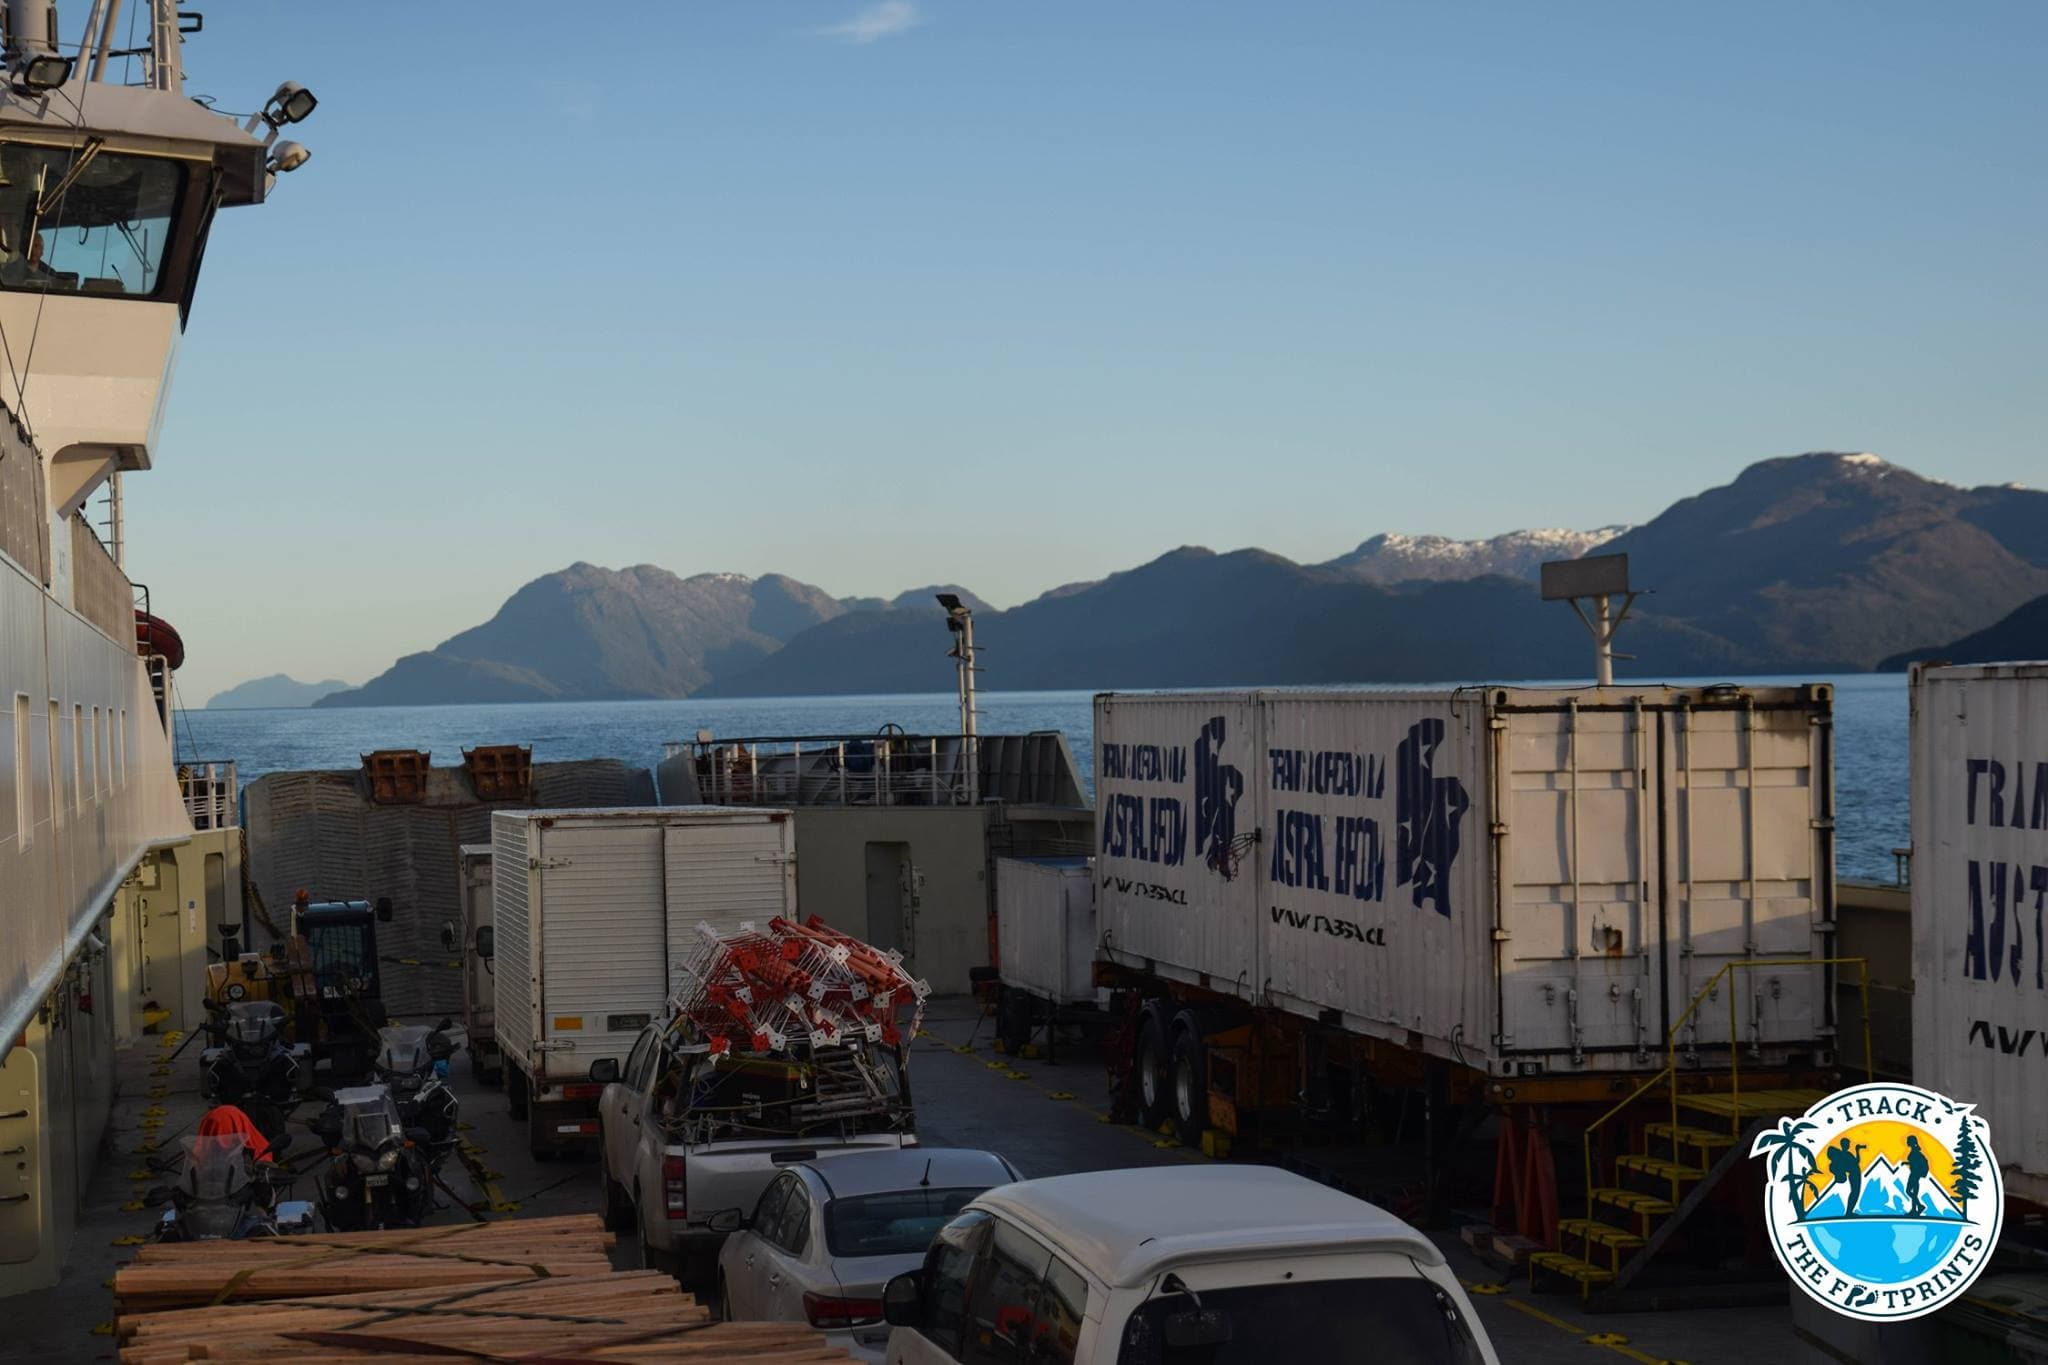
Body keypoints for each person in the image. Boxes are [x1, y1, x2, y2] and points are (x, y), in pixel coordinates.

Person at [1825, 1136, 1864, 1216]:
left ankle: (1849, 1211)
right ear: (1844, 1145)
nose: (1849, 1145)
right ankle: (1849, 1212)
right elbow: (1856, 1162)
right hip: (1854, 1174)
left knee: (1854, 1193)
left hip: (1854, 1174)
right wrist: (1857, 1150)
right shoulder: (1845, 1154)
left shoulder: (1844, 1154)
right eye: (1848, 1144)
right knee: (1855, 1193)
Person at [1904, 1135, 1930, 1216]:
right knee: (1913, 1192)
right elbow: (1914, 1162)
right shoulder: (1914, 1151)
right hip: (1915, 1174)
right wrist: (1907, 1163)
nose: (1906, 1142)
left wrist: (1909, 1163)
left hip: (1915, 1174)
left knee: (1909, 1191)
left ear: (1911, 1142)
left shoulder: (1915, 1152)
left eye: (1908, 1140)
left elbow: (1916, 1163)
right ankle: (1916, 1208)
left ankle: (1917, 1208)